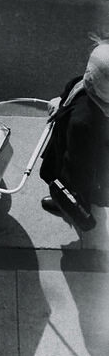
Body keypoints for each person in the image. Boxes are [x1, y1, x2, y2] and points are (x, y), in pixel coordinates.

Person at [40, 39, 109, 225]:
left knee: (81, 190)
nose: (85, 75)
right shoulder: (93, 89)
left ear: (96, 83)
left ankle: (75, 207)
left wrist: (65, 188)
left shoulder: (84, 123)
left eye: (89, 73)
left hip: (83, 161)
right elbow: (73, 87)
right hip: (92, 155)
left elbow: (78, 166)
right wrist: (61, 99)